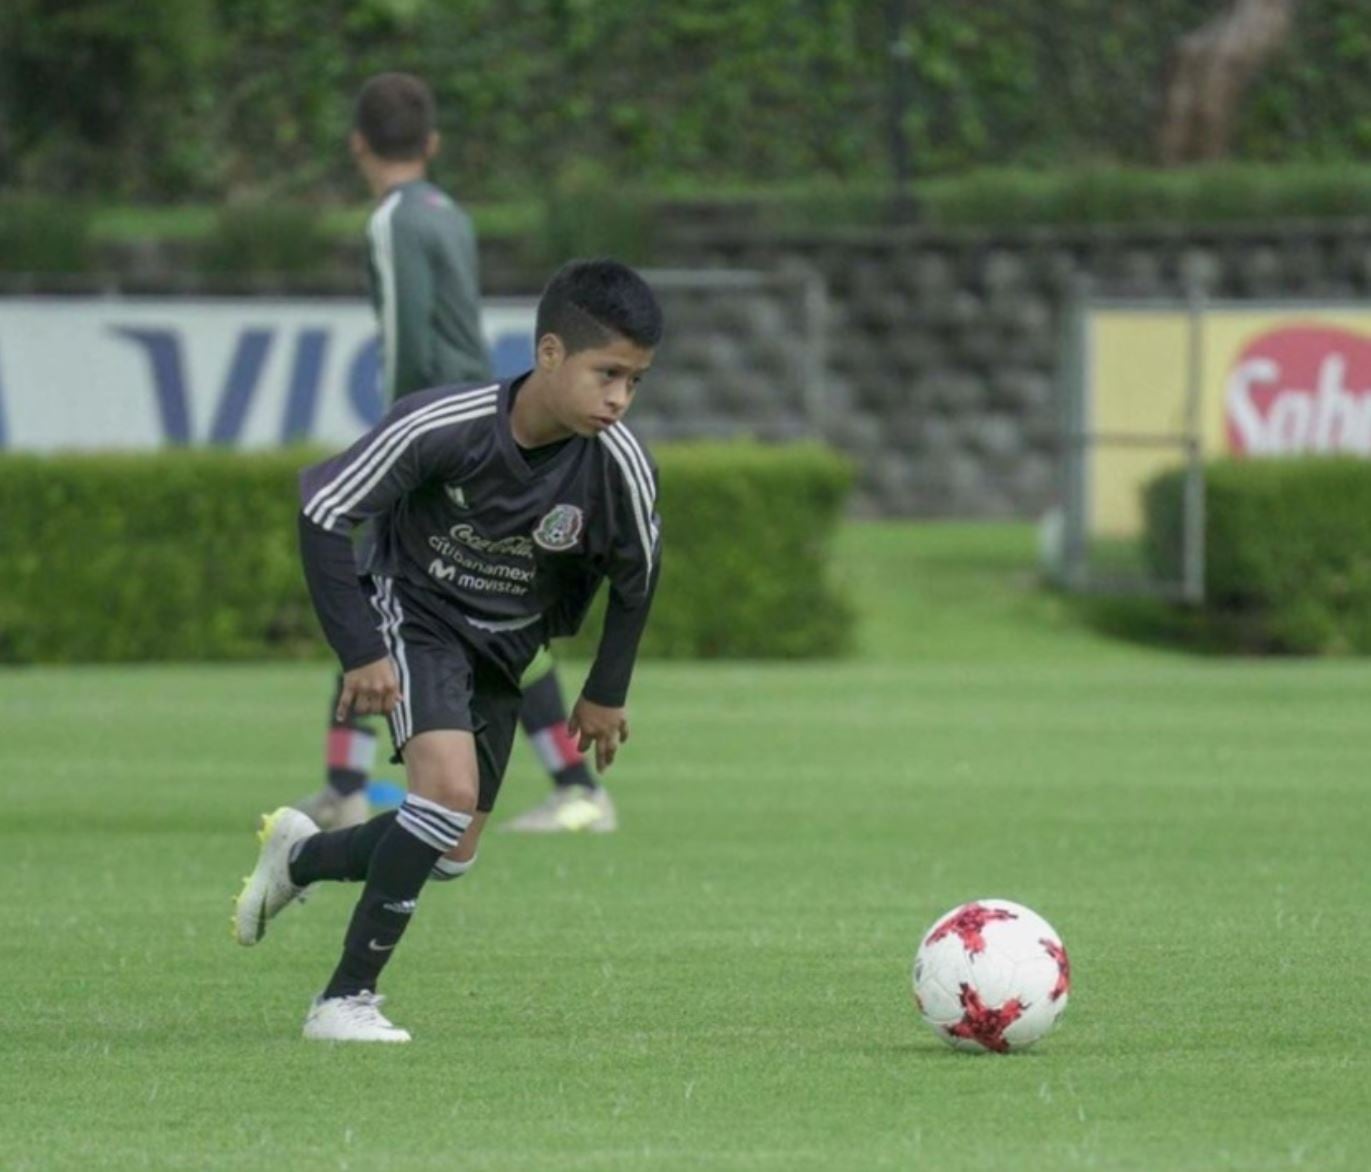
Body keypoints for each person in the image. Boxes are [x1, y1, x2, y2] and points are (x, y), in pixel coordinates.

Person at [234, 258, 664, 1042]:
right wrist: (362, 649)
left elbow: (637, 577)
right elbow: (324, 510)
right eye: (607, 374)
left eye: (634, 382)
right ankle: (343, 1001)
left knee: (450, 848)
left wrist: (605, 690)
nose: (619, 399)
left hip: (507, 650)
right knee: (444, 794)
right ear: (548, 354)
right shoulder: (444, 425)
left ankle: (299, 860)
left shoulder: (620, 466)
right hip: (417, 613)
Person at [295, 71, 616, 835]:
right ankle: (348, 780)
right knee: (464, 604)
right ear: (432, 143)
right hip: (487, 425)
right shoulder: (450, 214)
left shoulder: (391, 221)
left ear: (356, 145)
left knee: (375, 589)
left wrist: (399, 439)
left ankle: (570, 784)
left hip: (438, 444)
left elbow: (406, 333)